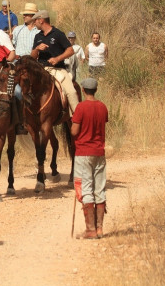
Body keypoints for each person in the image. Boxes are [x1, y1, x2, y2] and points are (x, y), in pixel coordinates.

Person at [71, 77, 108, 239]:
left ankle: (90, 230)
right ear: (96, 90)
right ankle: (100, 229)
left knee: (86, 189)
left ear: (83, 90)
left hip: (83, 152)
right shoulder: (102, 107)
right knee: (99, 188)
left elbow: (74, 131)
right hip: (99, 152)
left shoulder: (80, 108)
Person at [30, 10, 79, 115]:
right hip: (41, 69)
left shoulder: (58, 34)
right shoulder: (37, 36)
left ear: (41, 20)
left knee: (72, 92)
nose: (34, 23)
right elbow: (33, 57)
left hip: (58, 69)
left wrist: (57, 59)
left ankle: (77, 118)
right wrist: (37, 48)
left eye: (35, 21)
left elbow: (70, 50)